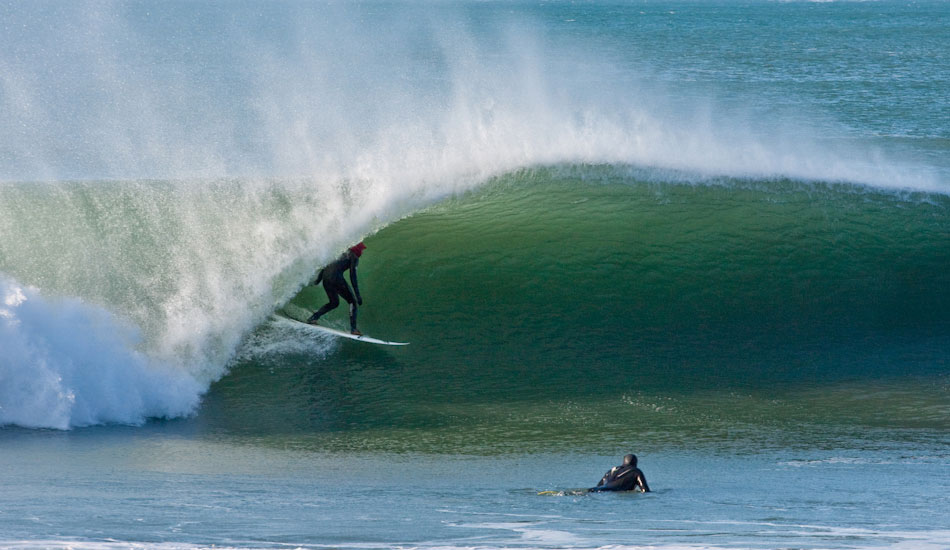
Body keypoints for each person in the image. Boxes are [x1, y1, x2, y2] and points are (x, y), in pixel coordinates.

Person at [307, 242, 366, 335]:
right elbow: (352, 275)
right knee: (353, 302)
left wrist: (318, 280)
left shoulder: (341, 253)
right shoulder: (354, 256)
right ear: (357, 250)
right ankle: (354, 329)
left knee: (334, 303)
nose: (362, 252)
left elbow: (326, 266)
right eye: (362, 250)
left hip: (326, 278)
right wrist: (357, 294)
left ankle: (313, 318)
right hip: (335, 278)